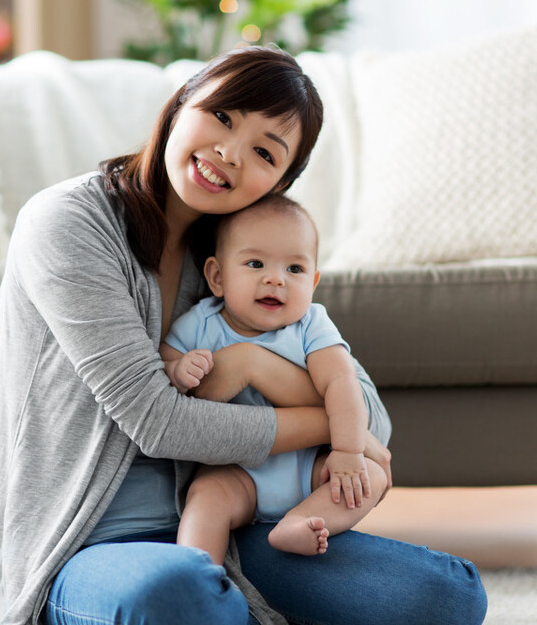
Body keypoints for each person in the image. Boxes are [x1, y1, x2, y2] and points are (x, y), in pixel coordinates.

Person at [0, 46, 487, 625]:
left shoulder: (245, 257)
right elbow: (160, 424)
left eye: (266, 153)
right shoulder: (68, 222)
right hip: (89, 544)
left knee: (448, 599)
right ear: (183, 101)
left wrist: (255, 368)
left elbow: (373, 423)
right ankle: (247, 614)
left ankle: (241, 609)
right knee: (182, 604)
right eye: (224, 116)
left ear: (278, 185)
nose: (231, 154)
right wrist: (329, 425)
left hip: (234, 534)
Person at [162, 194, 388, 563]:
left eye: (294, 270)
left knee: (372, 477)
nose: (275, 279)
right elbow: (165, 363)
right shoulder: (202, 323)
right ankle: (197, 575)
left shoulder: (310, 325)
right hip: (237, 473)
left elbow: (340, 382)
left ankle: (299, 523)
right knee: (205, 498)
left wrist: (348, 452)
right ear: (217, 277)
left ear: (313, 282)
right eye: (255, 263)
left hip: (309, 467)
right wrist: (177, 369)